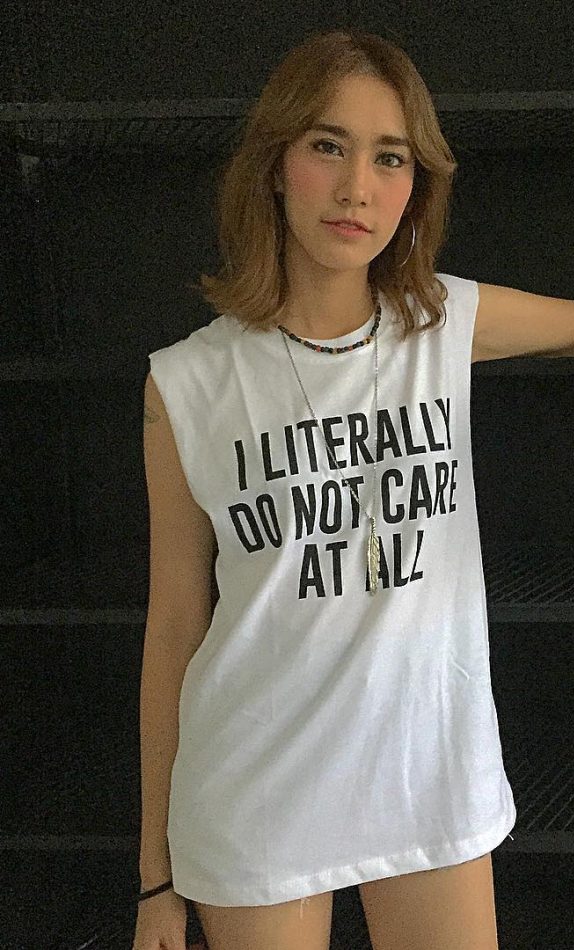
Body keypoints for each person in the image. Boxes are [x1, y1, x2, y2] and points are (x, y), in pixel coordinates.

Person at [135, 27, 516, 950]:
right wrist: (155, 878)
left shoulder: (442, 325)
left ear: (416, 184)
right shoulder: (187, 384)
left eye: (390, 157)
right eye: (327, 146)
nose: (357, 189)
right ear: (276, 165)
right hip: (256, 793)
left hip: (428, 780)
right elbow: (176, 623)